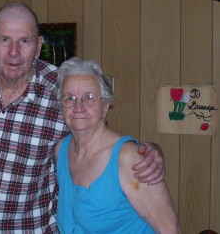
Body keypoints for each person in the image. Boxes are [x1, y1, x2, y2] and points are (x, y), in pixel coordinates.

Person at [0, 1, 166, 233]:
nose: (13, 52)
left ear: (38, 46)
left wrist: (146, 151)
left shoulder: (62, 89)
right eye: (4, 40)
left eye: (24, 41)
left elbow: (98, 139)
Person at [54, 57, 180, 233]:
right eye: (69, 98)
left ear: (105, 106)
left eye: (89, 98)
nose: (78, 107)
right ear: (61, 105)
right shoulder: (61, 151)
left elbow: (170, 229)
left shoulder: (130, 159)